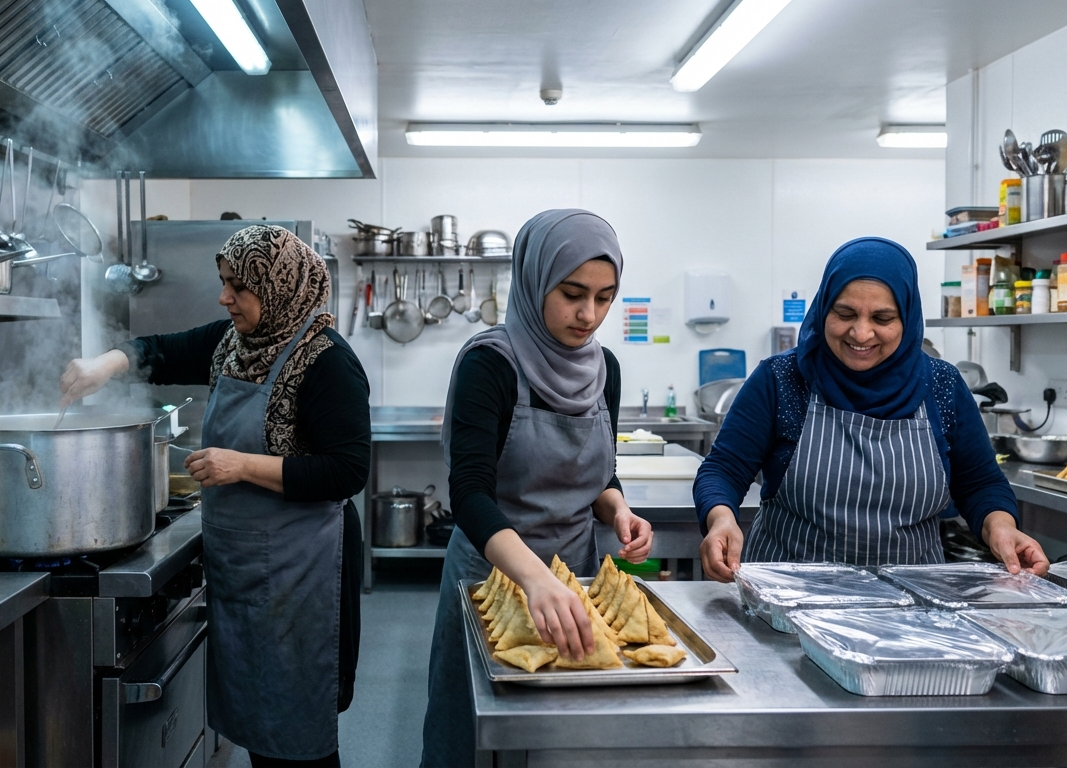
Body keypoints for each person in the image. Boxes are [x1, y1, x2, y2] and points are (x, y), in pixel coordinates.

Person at [59, 225, 369, 767]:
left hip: (304, 573)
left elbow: (346, 471)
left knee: (299, 735)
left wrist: (241, 465)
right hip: (247, 566)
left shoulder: (327, 361)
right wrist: (103, 365)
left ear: (277, 287)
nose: (224, 297)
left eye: (238, 287)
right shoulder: (234, 343)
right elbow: (160, 350)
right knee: (261, 731)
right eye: (223, 282)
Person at [420, 209, 654, 767]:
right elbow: (469, 493)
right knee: (472, 737)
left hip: (576, 578)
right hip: (492, 579)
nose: (588, 314)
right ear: (533, 281)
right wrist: (535, 579)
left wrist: (619, 511)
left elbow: (601, 475)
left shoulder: (604, 369)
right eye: (572, 294)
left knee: (562, 742)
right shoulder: (490, 364)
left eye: (604, 297)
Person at [693, 237, 1047, 580]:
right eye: (845, 313)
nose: (861, 333)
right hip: (787, 595)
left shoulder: (942, 385)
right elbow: (724, 469)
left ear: (907, 318)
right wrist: (721, 519)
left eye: (882, 318)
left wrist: (1001, 526)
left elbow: (980, 484)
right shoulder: (782, 378)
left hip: (910, 601)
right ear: (823, 308)